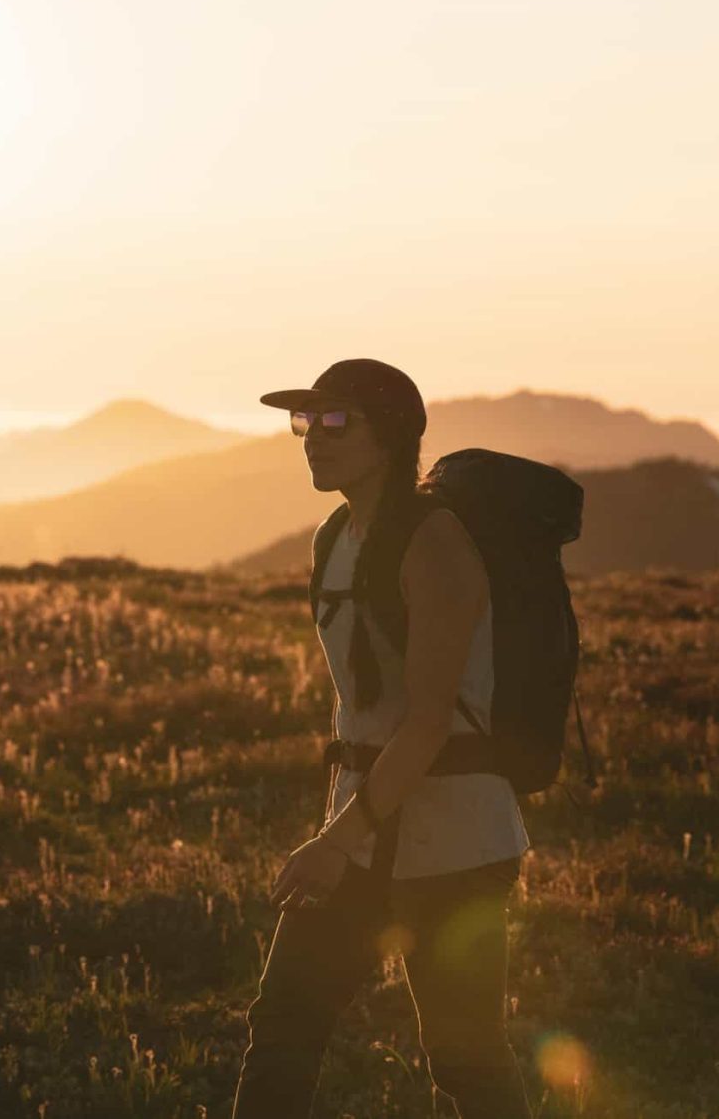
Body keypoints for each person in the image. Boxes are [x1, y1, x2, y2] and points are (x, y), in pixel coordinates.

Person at [231, 359, 533, 1119]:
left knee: (465, 1057)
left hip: (455, 841)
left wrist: (335, 840)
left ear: (393, 435)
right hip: (365, 827)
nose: (312, 439)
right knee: (284, 1026)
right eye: (305, 421)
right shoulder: (335, 536)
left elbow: (428, 721)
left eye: (337, 422)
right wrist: (346, 832)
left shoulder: (436, 548)